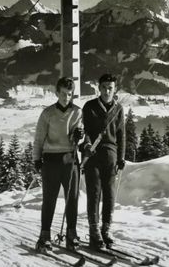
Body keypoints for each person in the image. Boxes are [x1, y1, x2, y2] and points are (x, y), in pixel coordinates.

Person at [33, 77, 84, 252]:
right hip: (51, 160)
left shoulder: (77, 112)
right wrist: (36, 159)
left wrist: (79, 135)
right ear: (57, 93)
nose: (66, 98)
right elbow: (39, 138)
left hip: (70, 159)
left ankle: (71, 234)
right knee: (49, 199)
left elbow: (81, 136)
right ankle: (44, 235)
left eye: (69, 94)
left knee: (73, 199)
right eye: (63, 94)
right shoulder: (47, 113)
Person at [82, 73, 126, 249]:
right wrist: (86, 146)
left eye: (110, 88)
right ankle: (94, 233)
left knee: (109, 195)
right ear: (98, 88)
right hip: (93, 156)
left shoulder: (118, 109)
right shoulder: (89, 107)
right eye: (104, 87)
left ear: (114, 90)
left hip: (111, 156)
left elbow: (122, 135)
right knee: (94, 194)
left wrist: (121, 157)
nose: (107, 91)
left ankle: (106, 230)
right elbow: (84, 131)